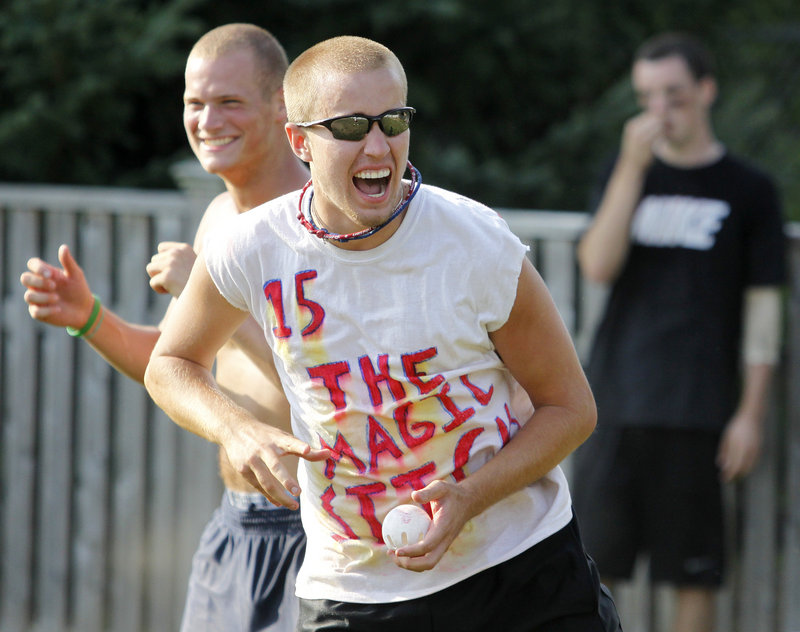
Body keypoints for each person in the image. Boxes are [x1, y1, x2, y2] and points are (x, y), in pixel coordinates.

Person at [143, 35, 622, 632]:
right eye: (348, 127)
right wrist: (236, 430)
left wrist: (470, 496)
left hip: (520, 572)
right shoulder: (252, 248)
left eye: (392, 121)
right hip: (355, 589)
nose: (377, 146)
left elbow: (570, 408)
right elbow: (170, 364)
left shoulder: (476, 243)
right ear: (301, 142)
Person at [20, 23, 311, 632]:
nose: (207, 120)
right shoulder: (215, 218)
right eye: (194, 103)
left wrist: (210, 285)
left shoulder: (315, 223)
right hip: (234, 526)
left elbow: (333, 384)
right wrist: (91, 320)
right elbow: (181, 364)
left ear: (282, 102)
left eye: (229, 101)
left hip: (319, 535)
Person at [572, 32, 787, 632]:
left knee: (693, 574)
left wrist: (751, 412)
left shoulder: (750, 190)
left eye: (674, 95)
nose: (660, 111)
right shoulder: (627, 171)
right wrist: (633, 171)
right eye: (647, 97)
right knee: (589, 569)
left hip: (699, 411)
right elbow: (597, 265)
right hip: (614, 401)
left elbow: (764, 309)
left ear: (706, 91)